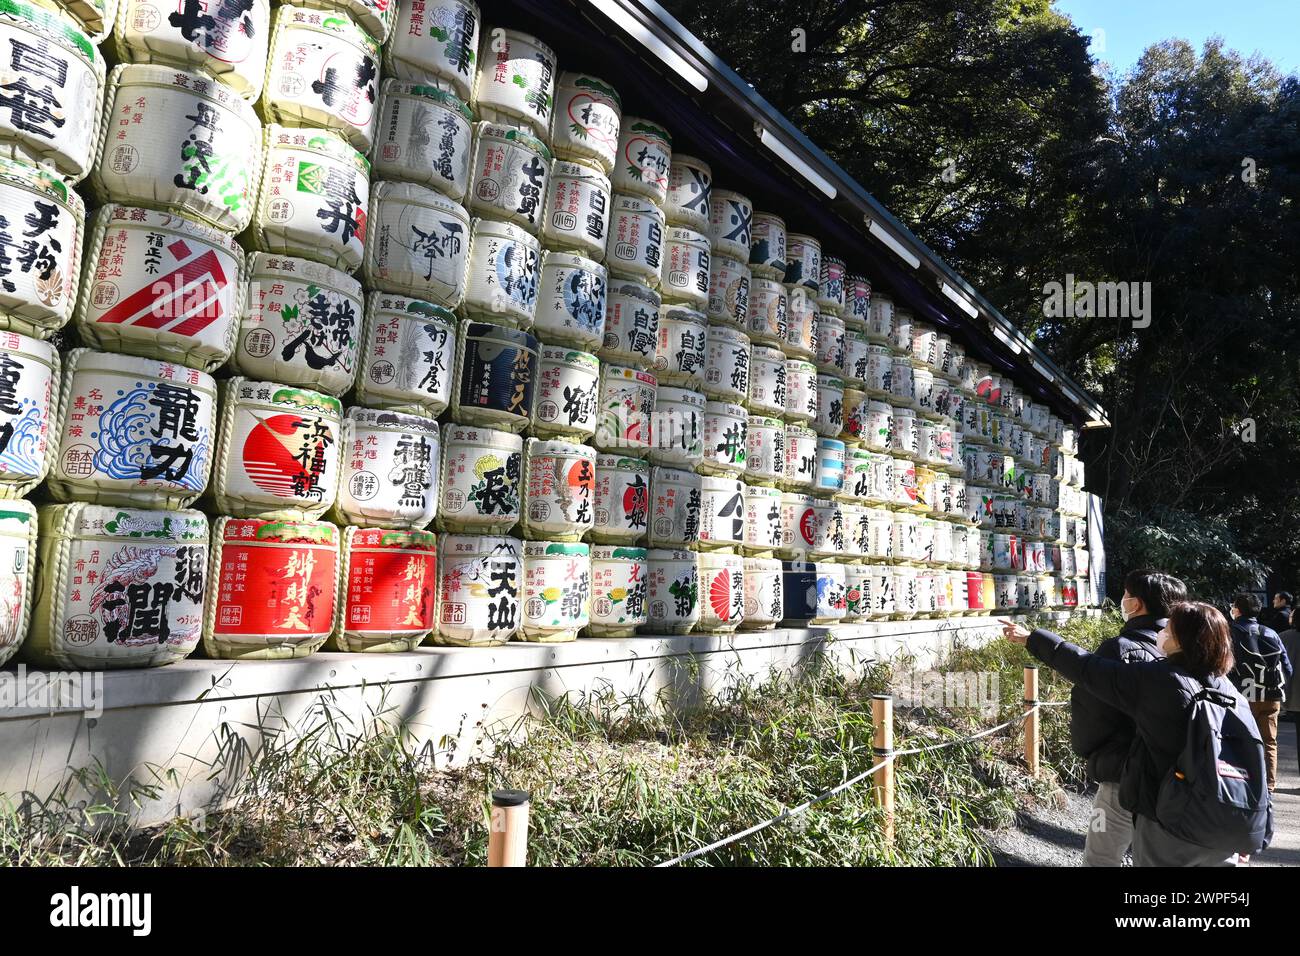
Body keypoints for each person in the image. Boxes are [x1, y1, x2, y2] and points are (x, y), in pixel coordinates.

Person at [1002, 602, 1264, 866]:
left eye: (1169, 628)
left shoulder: (1160, 680)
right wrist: (1251, 825)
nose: (1162, 632)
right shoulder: (1230, 692)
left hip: (1172, 820)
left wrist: (1033, 639)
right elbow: (1254, 756)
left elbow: (1087, 668)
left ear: (1183, 639)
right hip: (1228, 822)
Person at [1071, 569, 1187, 866]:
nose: (1122, 600)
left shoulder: (1118, 650)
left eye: (1125, 594)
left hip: (1122, 775)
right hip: (1174, 781)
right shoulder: (1185, 654)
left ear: (1135, 604)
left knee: (1101, 858)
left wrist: (1092, 753)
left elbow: (1090, 709)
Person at [1228, 593, 1293, 790]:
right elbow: (1287, 668)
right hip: (1271, 695)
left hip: (1242, 696)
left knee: (1240, 740)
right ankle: (1269, 786)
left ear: (1237, 610)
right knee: (1269, 741)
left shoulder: (1231, 632)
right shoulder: (1271, 633)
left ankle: (1244, 783)